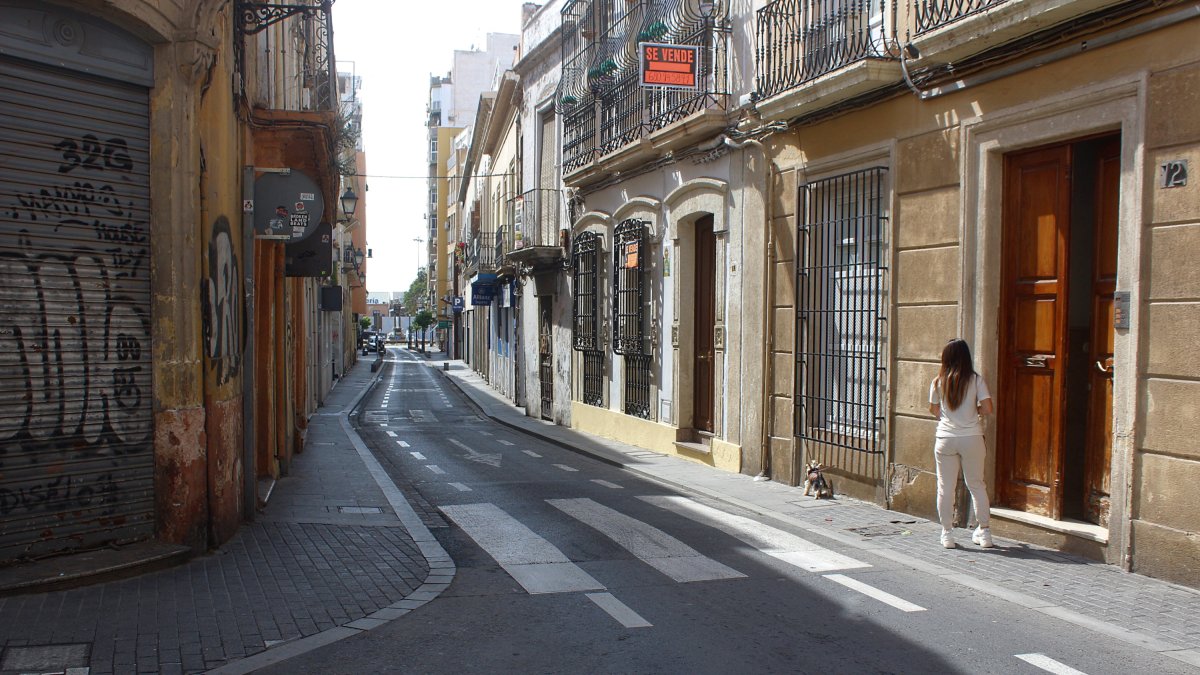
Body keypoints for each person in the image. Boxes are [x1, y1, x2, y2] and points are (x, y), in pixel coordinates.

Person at [928, 338, 994, 549]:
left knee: (945, 488)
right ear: (966, 357)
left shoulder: (938, 381)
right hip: (972, 437)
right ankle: (984, 533)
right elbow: (988, 407)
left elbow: (933, 409)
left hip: (946, 438)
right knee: (976, 485)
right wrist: (974, 411)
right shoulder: (976, 380)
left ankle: (947, 534)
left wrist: (947, 418)